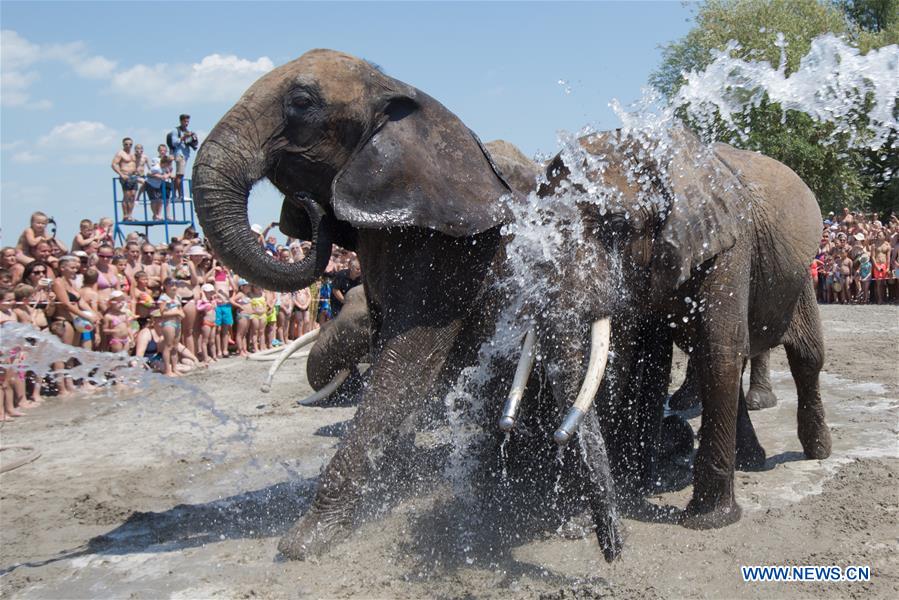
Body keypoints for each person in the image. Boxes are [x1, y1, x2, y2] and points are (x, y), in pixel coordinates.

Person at [169, 114, 197, 201]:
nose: (186, 123)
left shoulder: (188, 131)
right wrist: (183, 137)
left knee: (180, 175)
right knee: (179, 175)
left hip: (185, 155)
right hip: (179, 154)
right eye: (185, 121)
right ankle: (179, 195)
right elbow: (174, 142)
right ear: (181, 121)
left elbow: (190, 143)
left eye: (188, 121)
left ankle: (176, 195)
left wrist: (193, 138)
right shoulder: (175, 131)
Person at [112, 137, 139, 221]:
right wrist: (121, 174)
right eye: (126, 144)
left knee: (133, 195)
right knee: (127, 196)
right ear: (123, 144)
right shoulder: (120, 153)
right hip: (125, 176)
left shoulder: (133, 154)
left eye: (130, 144)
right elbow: (114, 164)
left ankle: (130, 214)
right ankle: (125, 215)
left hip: (133, 176)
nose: (128, 146)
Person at [146, 150, 175, 220]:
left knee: (159, 200)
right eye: (168, 163)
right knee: (153, 200)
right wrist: (158, 176)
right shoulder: (156, 167)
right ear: (164, 163)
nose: (169, 165)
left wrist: (167, 174)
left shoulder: (165, 168)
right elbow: (148, 173)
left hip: (157, 185)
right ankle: (155, 215)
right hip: (151, 185)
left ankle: (158, 215)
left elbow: (168, 175)